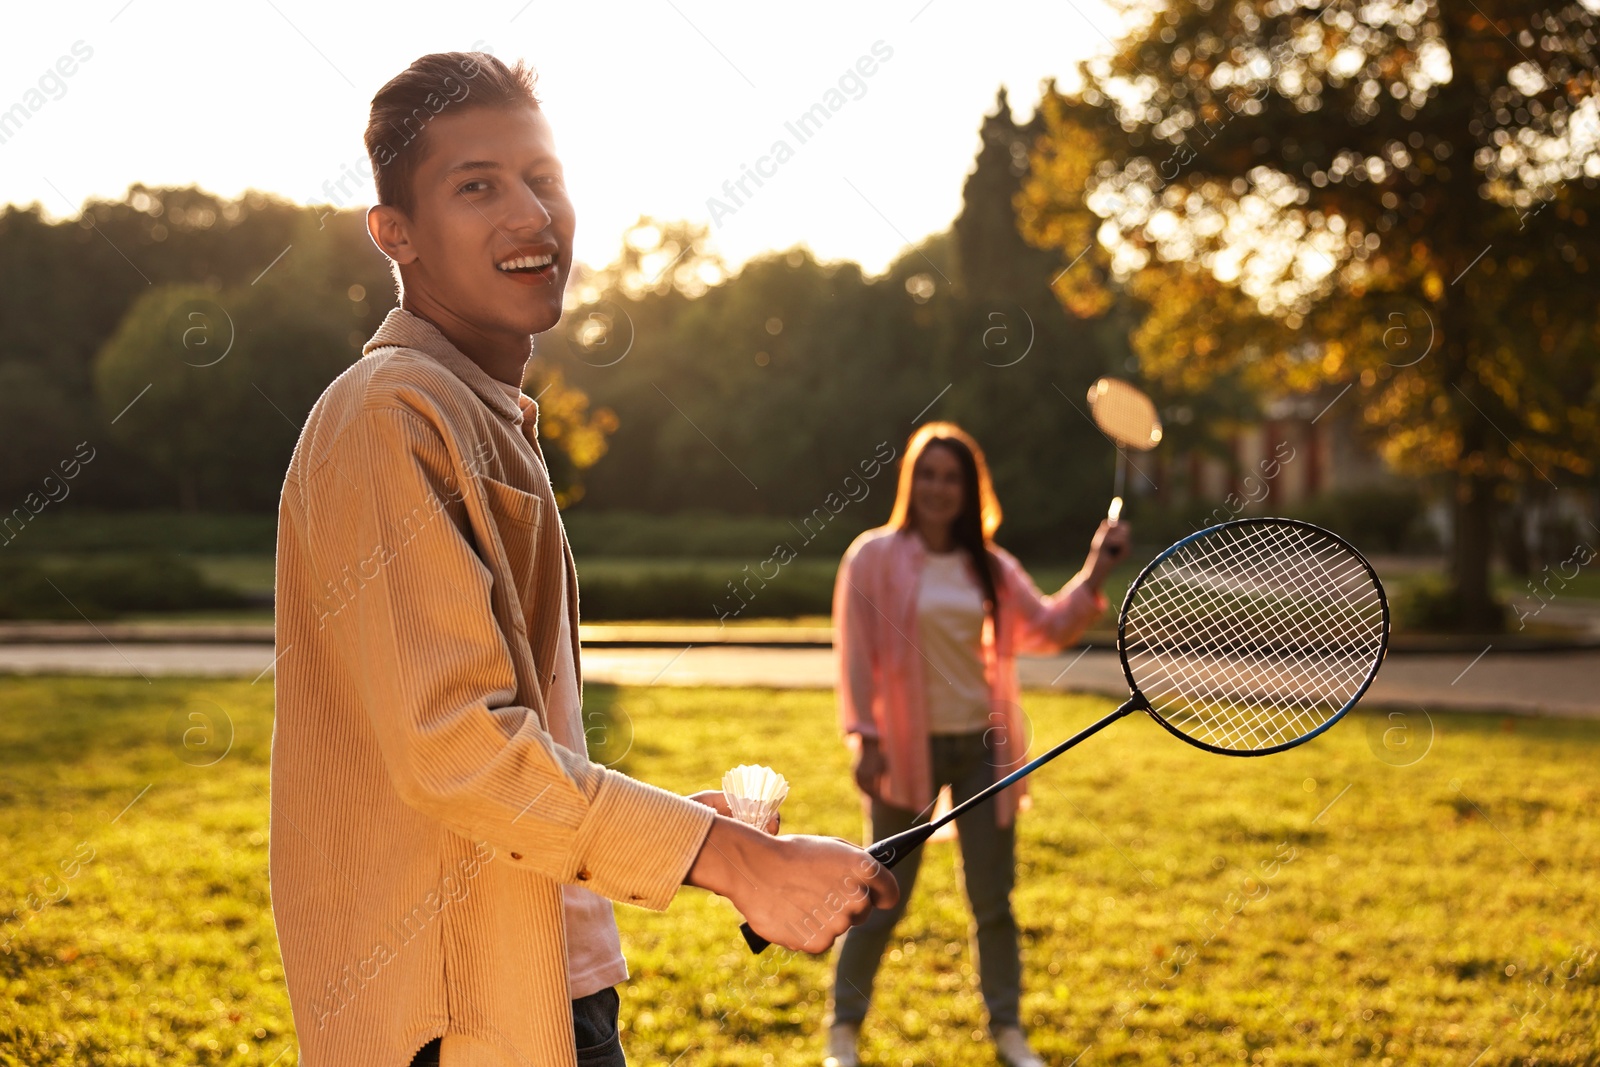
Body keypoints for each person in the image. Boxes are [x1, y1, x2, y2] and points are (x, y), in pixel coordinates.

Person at [270, 52, 898, 1067]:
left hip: (547, 982)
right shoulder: (391, 416)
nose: (532, 214)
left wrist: (677, 828)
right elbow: (459, 746)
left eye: (545, 178)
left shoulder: (482, 413)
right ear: (395, 233)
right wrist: (740, 861)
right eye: (477, 185)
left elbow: (511, 744)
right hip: (456, 1014)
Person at [823, 422, 1129, 1067]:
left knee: (993, 901)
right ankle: (843, 1033)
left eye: (952, 477)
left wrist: (1097, 568)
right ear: (912, 481)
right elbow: (854, 655)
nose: (938, 488)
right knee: (879, 896)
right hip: (904, 748)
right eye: (928, 474)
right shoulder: (872, 557)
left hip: (985, 747)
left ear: (969, 489)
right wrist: (866, 738)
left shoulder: (987, 564)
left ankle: (1009, 1032)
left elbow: (1044, 626)